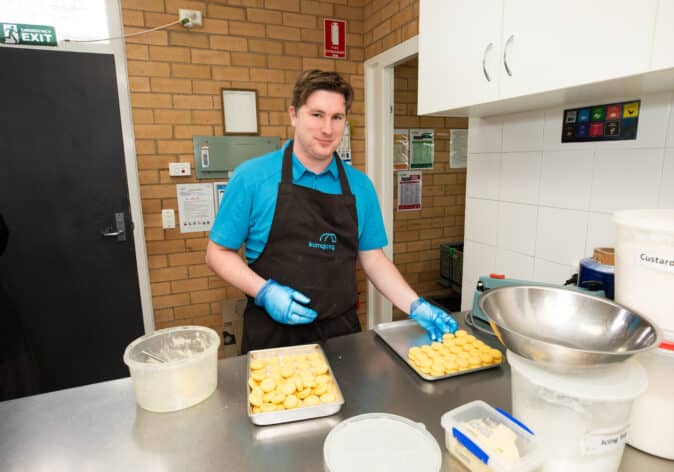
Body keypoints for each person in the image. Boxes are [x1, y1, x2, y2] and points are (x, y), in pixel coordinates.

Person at [206, 70, 457, 354]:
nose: (327, 129)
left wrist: (415, 305)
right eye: (316, 115)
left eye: (337, 117)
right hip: (272, 339)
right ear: (293, 115)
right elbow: (217, 253)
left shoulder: (361, 187)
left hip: (342, 336)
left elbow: (373, 259)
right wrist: (265, 292)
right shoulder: (252, 177)